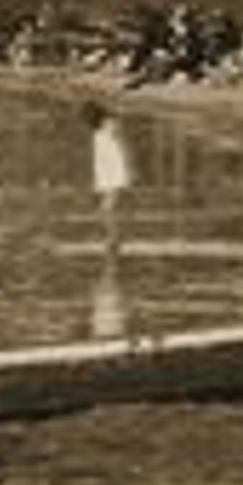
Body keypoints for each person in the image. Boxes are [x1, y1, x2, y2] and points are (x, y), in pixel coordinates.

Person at [82, 101, 135, 338]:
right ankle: (112, 240)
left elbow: (122, 147)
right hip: (106, 171)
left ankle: (113, 241)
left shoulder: (110, 125)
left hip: (114, 171)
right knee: (105, 210)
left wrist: (129, 169)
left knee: (108, 210)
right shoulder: (99, 129)